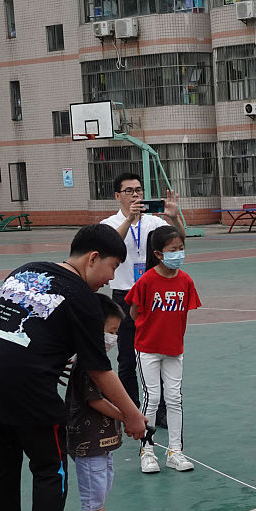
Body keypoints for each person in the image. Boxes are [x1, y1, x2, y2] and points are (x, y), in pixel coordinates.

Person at [0, 225, 147, 511]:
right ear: (93, 258)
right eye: (111, 267)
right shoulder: (81, 296)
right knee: (49, 467)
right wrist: (132, 415)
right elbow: (99, 370)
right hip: (25, 386)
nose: (109, 279)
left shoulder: (25, 270)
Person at [100, 173, 184, 415]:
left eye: (138, 190)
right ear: (117, 196)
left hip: (152, 297)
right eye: (129, 191)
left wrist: (173, 218)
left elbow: (179, 240)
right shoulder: (109, 224)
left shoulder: (154, 223)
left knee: (157, 356)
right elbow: (109, 245)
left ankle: (160, 410)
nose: (135, 194)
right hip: (123, 296)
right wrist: (129, 219)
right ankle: (132, 410)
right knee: (126, 358)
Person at [124, 225, 201, 474]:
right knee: (152, 397)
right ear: (158, 254)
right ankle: (147, 451)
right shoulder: (147, 280)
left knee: (175, 398)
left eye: (181, 249)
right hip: (148, 348)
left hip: (174, 349)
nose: (178, 254)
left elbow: (183, 313)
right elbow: (134, 311)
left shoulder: (185, 281)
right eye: (172, 250)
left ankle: (175, 451)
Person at [66, 294, 135, 511]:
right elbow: (94, 399)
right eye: (111, 331)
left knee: (103, 480)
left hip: (100, 439)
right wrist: (124, 415)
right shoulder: (88, 364)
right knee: (94, 486)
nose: (113, 338)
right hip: (87, 438)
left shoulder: (97, 361)